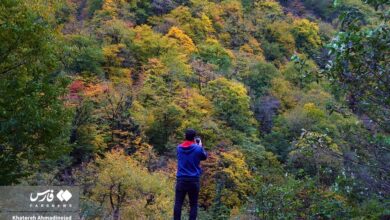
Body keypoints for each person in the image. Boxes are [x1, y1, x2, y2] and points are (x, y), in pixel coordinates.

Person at [174, 129, 207, 220]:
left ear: (185, 136)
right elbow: (204, 156)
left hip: (181, 179)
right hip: (194, 180)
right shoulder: (197, 148)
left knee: (178, 203)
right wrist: (200, 146)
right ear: (194, 138)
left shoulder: (179, 148)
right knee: (193, 204)